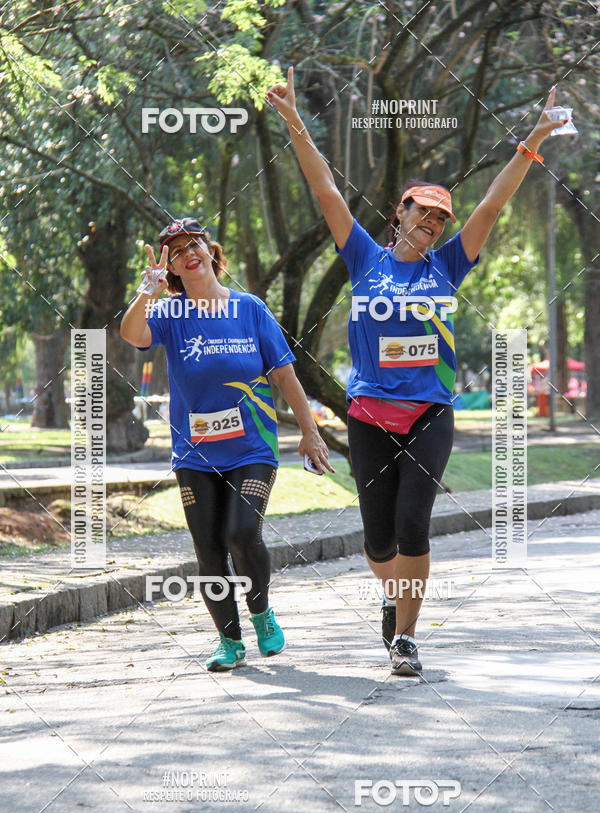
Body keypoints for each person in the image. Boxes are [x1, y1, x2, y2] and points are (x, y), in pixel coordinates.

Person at [267, 69, 564, 675]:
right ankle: (391, 597)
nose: (432, 222)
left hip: (430, 413)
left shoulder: (450, 266)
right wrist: (295, 119)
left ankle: (405, 638)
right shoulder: (363, 258)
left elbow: (492, 202)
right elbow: (324, 187)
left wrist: (531, 142)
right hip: (370, 413)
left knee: (412, 527)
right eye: (422, 212)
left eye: (439, 218)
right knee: (377, 542)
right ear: (399, 212)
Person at [120, 218, 333, 671]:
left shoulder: (250, 308)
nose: (187, 253)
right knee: (208, 547)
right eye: (175, 252)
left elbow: (283, 373)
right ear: (171, 268)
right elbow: (131, 334)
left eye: (193, 243)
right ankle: (229, 641)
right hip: (194, 452)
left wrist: (310, 431)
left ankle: (261, 613)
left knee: (240, 532)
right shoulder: (170, 314)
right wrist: (148, 291)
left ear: (210, 250)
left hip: (251, 447)